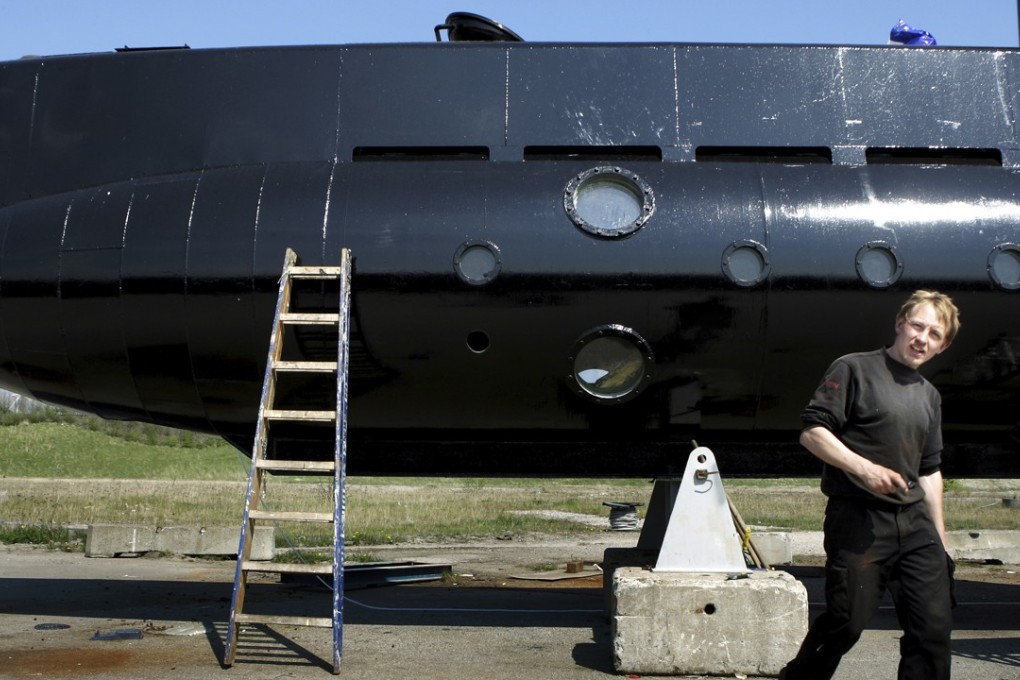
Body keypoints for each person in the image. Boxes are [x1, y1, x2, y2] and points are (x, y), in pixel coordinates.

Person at [780, 290, 961, 680]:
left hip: (915, 526)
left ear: (942, 346)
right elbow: (812, 433)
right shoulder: (853, 369)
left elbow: (929, 471)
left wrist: (942, 543)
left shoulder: (929, 396)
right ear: (900, 323)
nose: (921, 338)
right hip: (859, 520)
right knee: (847, 623)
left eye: (933, 334)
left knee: (932, 630)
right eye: (917, 326)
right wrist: (865, 470)